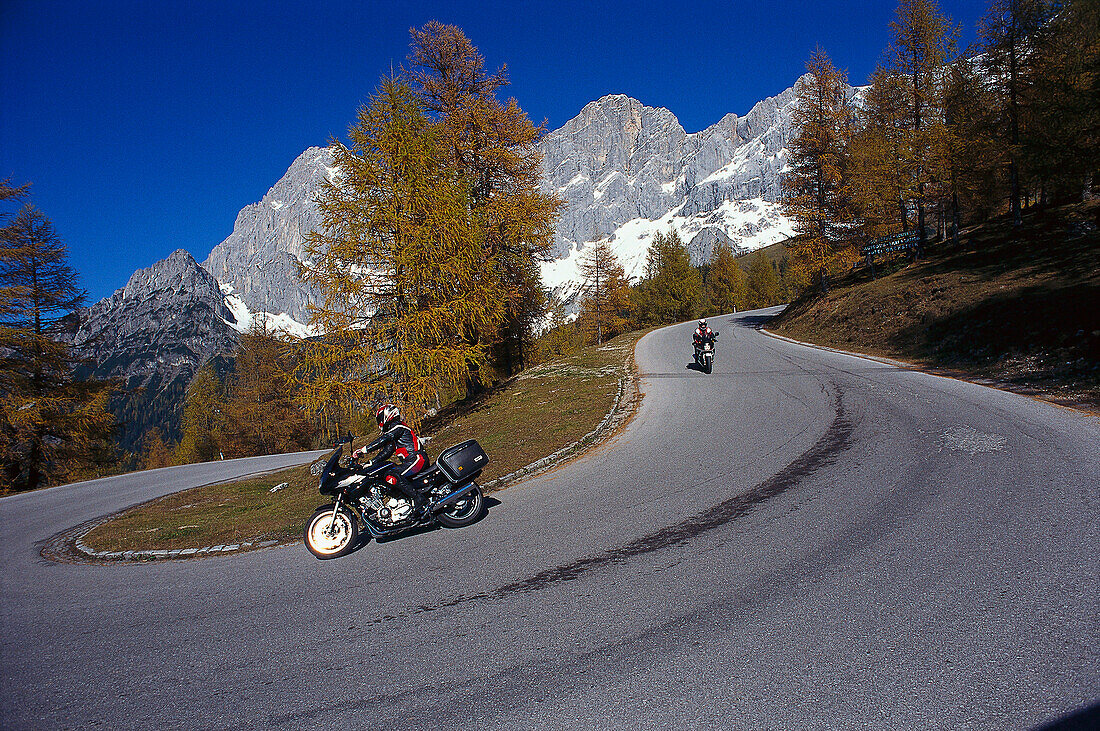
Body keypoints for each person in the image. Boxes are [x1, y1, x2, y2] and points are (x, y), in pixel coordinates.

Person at [351, 403, 429, 518]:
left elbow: (384, 439)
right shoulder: (395, 433)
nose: (379, 422)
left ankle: (418, 498)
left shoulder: (399, 427)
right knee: (385, 475)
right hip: (410, 461)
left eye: (379, 418)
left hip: (417, 459)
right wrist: (370, 463)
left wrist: (363, 450)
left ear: (387, 415)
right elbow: (386, 452)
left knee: (392, 474)